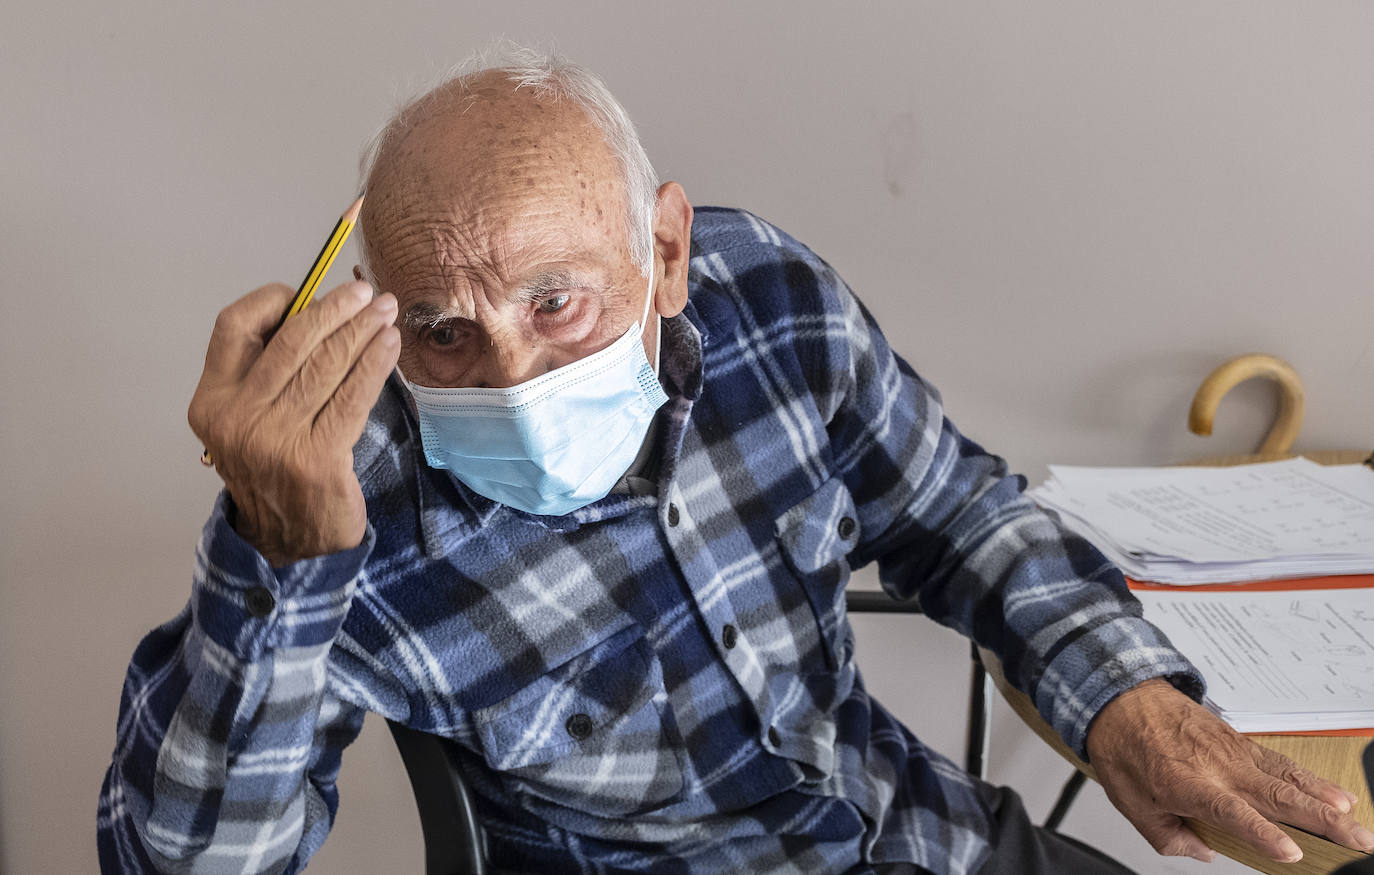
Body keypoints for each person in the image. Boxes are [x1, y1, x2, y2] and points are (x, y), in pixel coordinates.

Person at [97, 45, 1374, 874]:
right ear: (378, 309)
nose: (513, 380)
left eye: (556, 302)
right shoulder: (332, 490)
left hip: (907, 829)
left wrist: (1122, 696)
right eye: (443, 331)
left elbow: (954, 511)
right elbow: (184, 863)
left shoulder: (758, 291)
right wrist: (275, 564)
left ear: (663, 251)